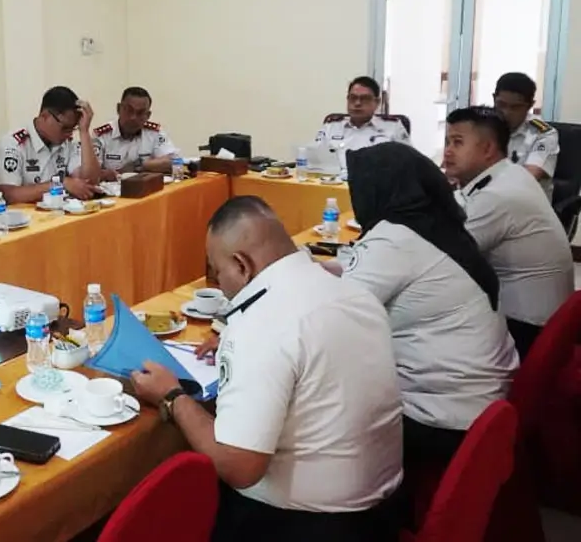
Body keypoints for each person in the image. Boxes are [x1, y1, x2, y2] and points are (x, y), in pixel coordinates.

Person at [132, 196, 403, 542]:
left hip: (309, 524)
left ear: (242, 264)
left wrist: (172, 396)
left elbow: (238, 467)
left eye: (218, 272)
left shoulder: (262, 323)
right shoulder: (353, 293)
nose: (219, 284)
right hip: (384, 512)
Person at [341, 142, 518, 468]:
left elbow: (332, 317)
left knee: (318, 411)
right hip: (479, 403)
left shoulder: (393, 238)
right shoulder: (435, 222)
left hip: (439, 421)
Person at [443, 106, 573, 358]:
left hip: (526, 330)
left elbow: (443, 256)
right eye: (447, 141)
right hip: (540, 319)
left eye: (457, 143)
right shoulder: (507, 174)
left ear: (488, 149)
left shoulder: (497, 195)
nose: (447, 151)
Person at [0, 86, 101, 202]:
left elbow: (90, 181)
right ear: (45, 116)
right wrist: (58, 184)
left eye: (73, 128)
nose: (69, 134)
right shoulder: (11, 145)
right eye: (65, 128)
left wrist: (84, 131)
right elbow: (8, 194)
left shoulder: (66, 143)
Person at [80, 86, 180, 181]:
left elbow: (174, 162)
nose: (133, 117)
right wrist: (106, 174)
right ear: (118, 109)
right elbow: (90, 173)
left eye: (140, 113)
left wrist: (138, 165)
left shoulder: (154, 133)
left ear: (148, 115)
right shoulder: (102, 135)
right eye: (129, 110)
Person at [312, 76, 410, 172]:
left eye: (365, 98)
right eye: (353, 98)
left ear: (377, 102)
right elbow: (314, 160)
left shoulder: (393, 128)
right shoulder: (331, 127)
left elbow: (409, 164)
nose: (357, 103)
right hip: (335, 184)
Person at [492, 72, 559, 200]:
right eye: (501, 105)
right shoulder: (485, 128)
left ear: (530, 105)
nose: (506, 112)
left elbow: (528, 178)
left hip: (526, 208)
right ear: (494, 98)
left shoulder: (543, 134)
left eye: (515, 107)